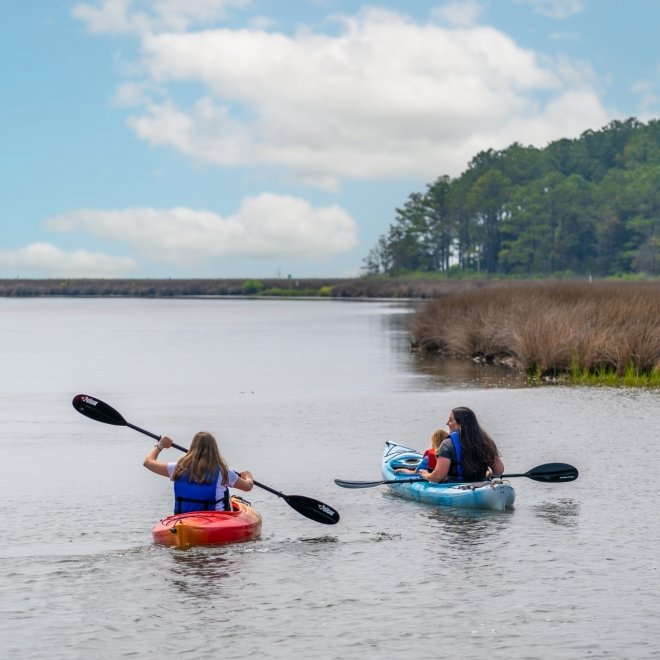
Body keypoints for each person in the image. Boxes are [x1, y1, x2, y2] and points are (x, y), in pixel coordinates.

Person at [143, 431, 254, 513]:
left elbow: (148, 462)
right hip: (217, 521)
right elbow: (248, 487)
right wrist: (248, 476)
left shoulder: (178, 468)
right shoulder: (223, 472)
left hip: (185, 521)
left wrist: (161, 445)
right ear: (214, 449)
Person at [418, 407, 504, 483]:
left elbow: (438, 477)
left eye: (451, 420)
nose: (447, 423)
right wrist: (488, 474)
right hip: (482, 484)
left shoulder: (447, 444)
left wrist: (426, 475)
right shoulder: (486, 442)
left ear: (461, 423)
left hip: (454, 486)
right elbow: (498, 471)